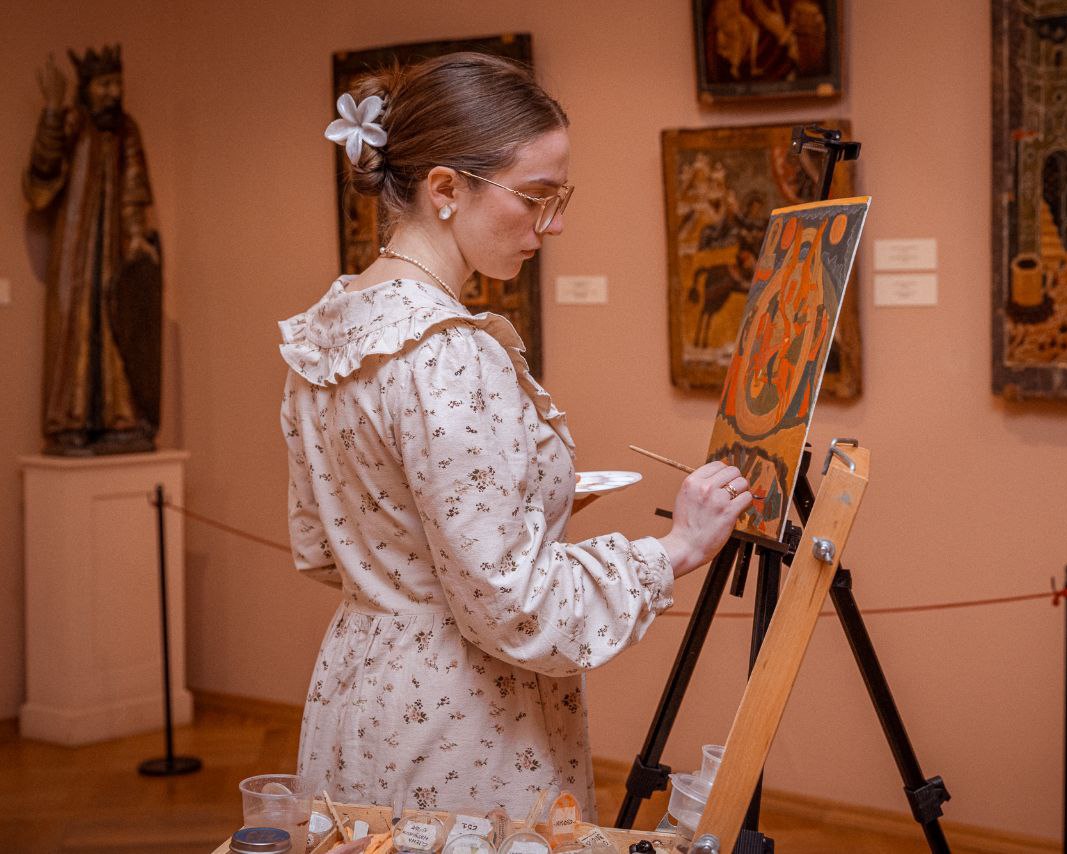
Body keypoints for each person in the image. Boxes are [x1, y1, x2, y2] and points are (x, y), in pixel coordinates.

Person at [279, 52, 752, 821]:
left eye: (559, 197)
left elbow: (322, 542)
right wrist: (678, 547)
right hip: (460, 719)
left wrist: (491, 527)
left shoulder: (329, 330)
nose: (554, 223)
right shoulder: (449, 356)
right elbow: (518, 608)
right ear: (444, 189)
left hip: (360, 689)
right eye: (535, 196)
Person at [24, 46, 162, 455]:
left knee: (119, 325)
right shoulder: (71, 123)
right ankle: (70, 422)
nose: (113, 92)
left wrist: (136, 238)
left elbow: (135, 190)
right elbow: (42, 173)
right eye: (104, 84)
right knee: (75, 324)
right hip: (76, 249)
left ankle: (120, 420)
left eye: (117, 83)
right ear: (86, 88)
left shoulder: (126, 130)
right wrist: (52, 111)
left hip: (116, 251)